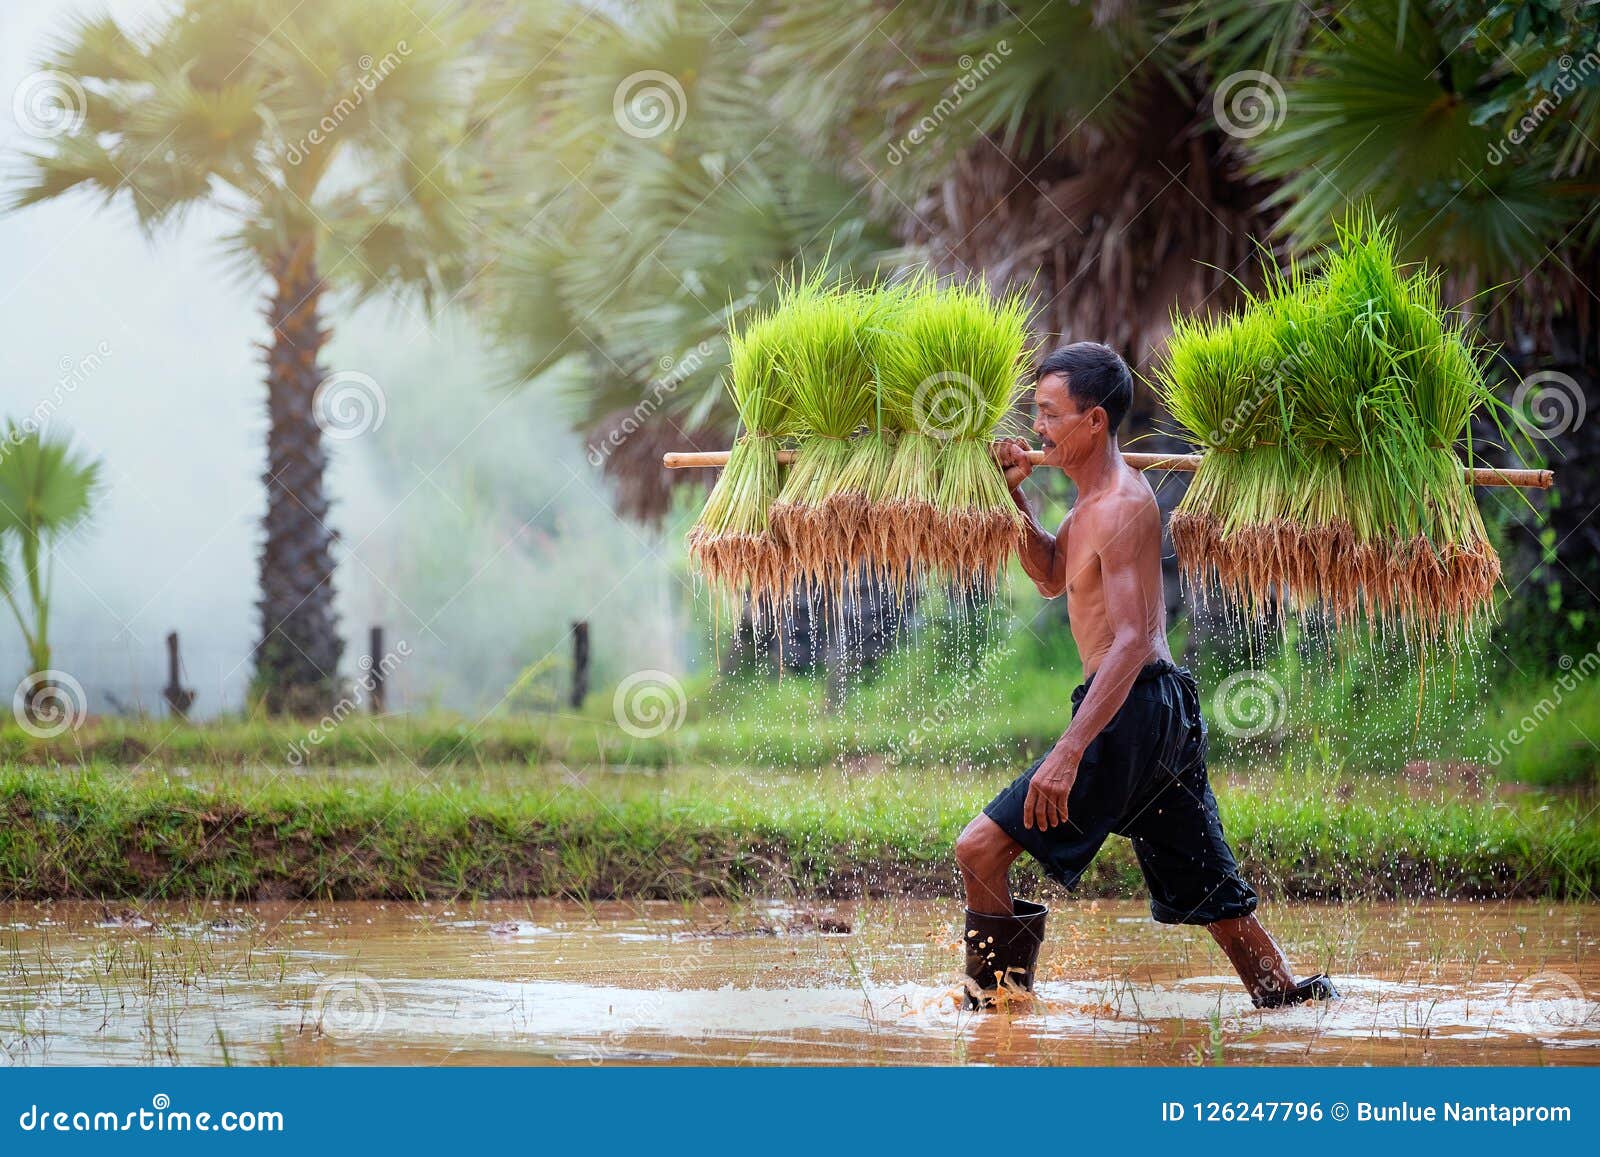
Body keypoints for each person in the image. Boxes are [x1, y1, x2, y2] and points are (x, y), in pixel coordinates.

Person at [955, 342, 1338, 1011]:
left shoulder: (1123, 504)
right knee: (1211, 887)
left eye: (1049, 413)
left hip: (1132, 704)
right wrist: (1013, 499)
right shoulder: (1092, 502)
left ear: (1094, 420)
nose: (1037, 427)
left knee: (979, 849)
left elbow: (1130, 639)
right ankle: (1287, 1001)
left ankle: (997, 1013)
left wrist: (1068, 751)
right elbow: (1050, 575)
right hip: (1158, 712)